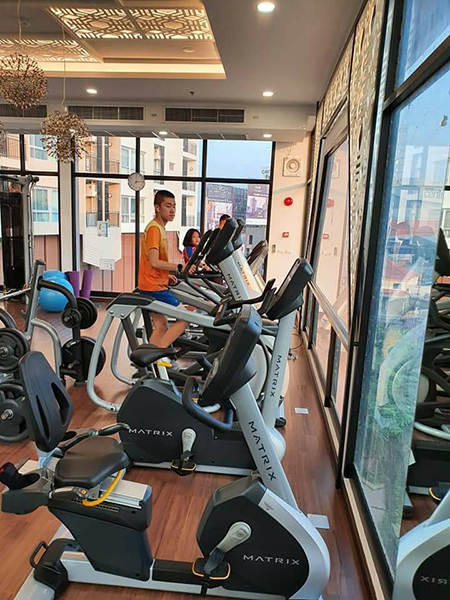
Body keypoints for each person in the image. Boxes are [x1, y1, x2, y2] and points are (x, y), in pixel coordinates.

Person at [137, 190, 193, 348]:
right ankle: (159, 354)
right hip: (154, 287)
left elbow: (151, 262)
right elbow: (154, 261)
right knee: (186, 318)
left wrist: (165, 275)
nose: (172, 210)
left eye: (174, 206)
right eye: (168, 206)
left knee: (161, 326)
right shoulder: (155, 229)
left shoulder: (159, 228)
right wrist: (179, 267)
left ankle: (152, 358)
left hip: (153, 283)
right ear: (157, 207)